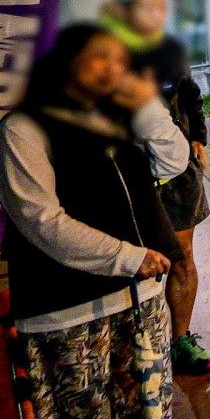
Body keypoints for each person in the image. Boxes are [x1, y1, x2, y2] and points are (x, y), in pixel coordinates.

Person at [0, 24, 188, 418]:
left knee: (152, 410)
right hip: (69, 313)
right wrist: (128, 257)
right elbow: (40, 220)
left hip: (140, 301)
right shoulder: (23, 129)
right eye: (100, 57)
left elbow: (172, 160)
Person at [104, 0, 210, 376]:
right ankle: (137, 344)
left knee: (182, 256)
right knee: (135, 258)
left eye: (161, 8)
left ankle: (180, 340)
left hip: (180, 177)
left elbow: (191, 95)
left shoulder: (172, 51)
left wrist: (198, 137)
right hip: (128, 176)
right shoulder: (109, 56)